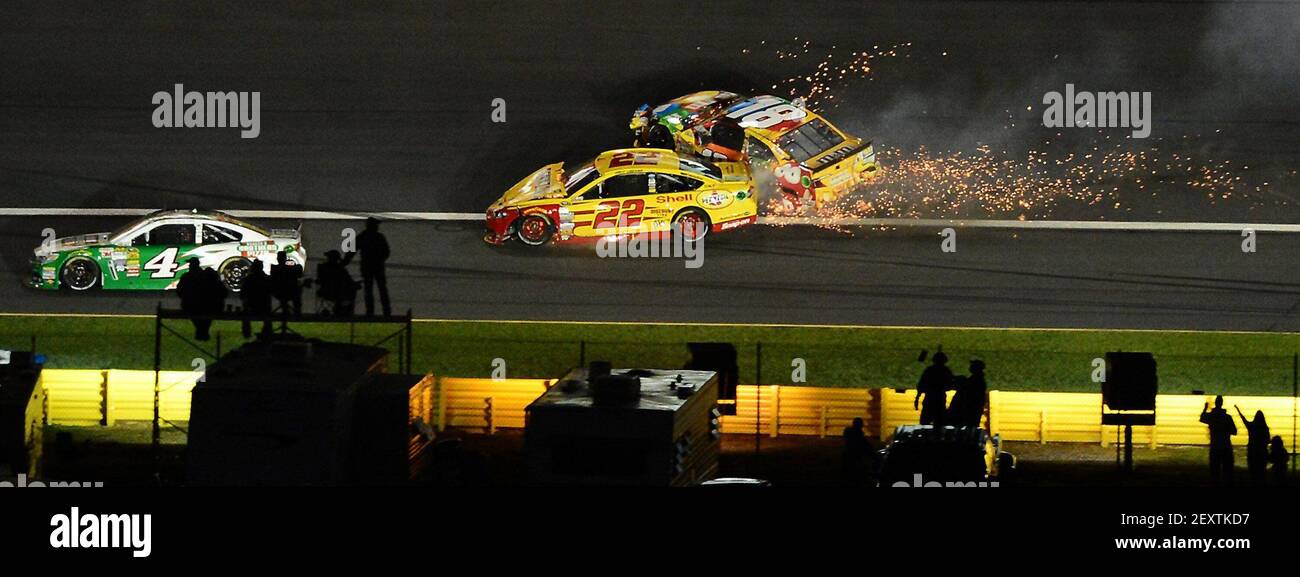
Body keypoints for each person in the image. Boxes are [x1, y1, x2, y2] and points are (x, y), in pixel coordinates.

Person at [355, 217, 391, 317]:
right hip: (378, 268)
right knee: (382, 289)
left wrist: (345, 261)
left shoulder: (362, 236)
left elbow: (351, 250)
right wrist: (379, 259)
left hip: (367, 267)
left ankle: (370, 312)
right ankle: (386, 311)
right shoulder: (379, 237)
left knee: (369, 290)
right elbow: (386, 252)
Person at [1199, 396, 1237, 486]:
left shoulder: (1211, 416)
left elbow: (1202, 418)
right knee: (1227, 470)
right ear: (1222, 403)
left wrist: (1205, 408)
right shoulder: (1227, 418)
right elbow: (1234, 431)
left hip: (1215, 445)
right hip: (1225, 445)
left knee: (1215, 470)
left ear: (1216, 403)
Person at [176, 258, 211, 340]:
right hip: (207, 306)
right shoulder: (206, 276)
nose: (189, 266)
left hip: (191, 306)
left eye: (190, 264)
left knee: (197, 318)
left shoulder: (186, 277)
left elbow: (179, 291)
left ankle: (201, 331)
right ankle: (203, 331)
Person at [915, 350, 953, 427]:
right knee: (938, 422)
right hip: (939, 398)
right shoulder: (946, 370)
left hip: (930, 397)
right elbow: (951, 384)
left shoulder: (929, 370)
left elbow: (921, 384)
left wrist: (917, 397)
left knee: (926, 421)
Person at [316, 250, 359, 316]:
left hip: (326, 292)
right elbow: (349, 280)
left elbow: (320, 280)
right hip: (339, 293)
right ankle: (346, 310)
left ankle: (340, 309)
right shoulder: (340, 269)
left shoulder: (322, 268)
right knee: (351, 289)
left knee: (346, 289)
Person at [1235, 406, 1270, 486]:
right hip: (1262, 454)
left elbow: (1244, 420)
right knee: (1262, 474)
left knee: (1253, 474)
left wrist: (1238, 410)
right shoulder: (1265, 428)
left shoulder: (1252, 426)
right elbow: (1268, 440)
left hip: (1252, 453)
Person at [947, 359, 988, 428]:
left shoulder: (976, 380)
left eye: (972, 366)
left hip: (971, 409)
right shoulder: (977, 379)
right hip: (973, 408)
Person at [239, 259, 273, 338]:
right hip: (265, 308)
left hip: (251, 308)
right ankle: (267, 333)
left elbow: (242, 295)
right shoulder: (266, 279)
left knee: (245, 315)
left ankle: (246, 333)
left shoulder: (248, 280)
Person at [270, 251, 303, 317]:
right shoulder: (292, 269)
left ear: (277, 259)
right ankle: (297, 312)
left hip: (278, 292)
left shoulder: (274, 269)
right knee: (298, 288)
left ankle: (285, 310)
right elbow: (299, 273)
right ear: (285, 258)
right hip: (291, 292)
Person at [842, 417, 869, 484]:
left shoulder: (848, 431)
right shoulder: (859, 434)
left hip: (848, 454)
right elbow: (865, 444)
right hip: (855, 454)